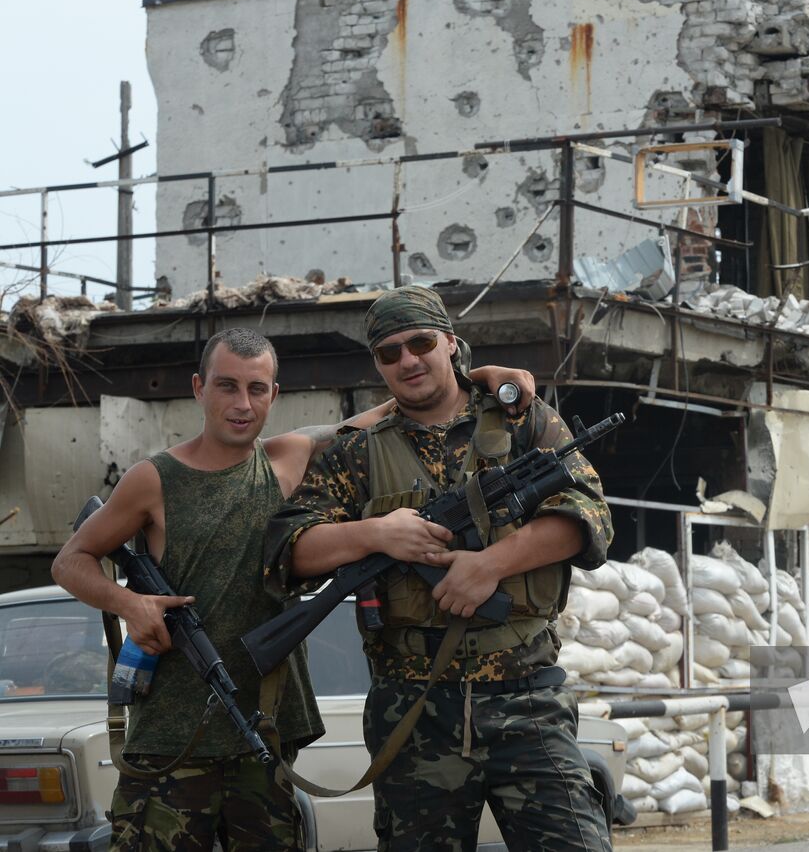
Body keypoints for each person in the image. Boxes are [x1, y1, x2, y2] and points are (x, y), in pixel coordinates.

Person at [52, 325, 534, 851]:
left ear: (274, 395)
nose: (242, 403)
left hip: (263, 734)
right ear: (198, 388)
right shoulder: (155, 478)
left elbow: (397, 408)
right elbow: (71, 560)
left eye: (256, 389)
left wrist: (487, 376)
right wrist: (129, 603)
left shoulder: (289, 457)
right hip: (171, 740)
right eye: (226, 386)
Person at [265, 285, 613, 852]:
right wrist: (373, 533)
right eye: (389, 352)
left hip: (526, 699)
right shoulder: (354, 452)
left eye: (421, 342)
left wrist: (489, 565)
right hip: (412, 709)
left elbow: (588, 516)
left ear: (450, 343)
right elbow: (290, 551)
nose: (408, 360)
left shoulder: (522, 420)